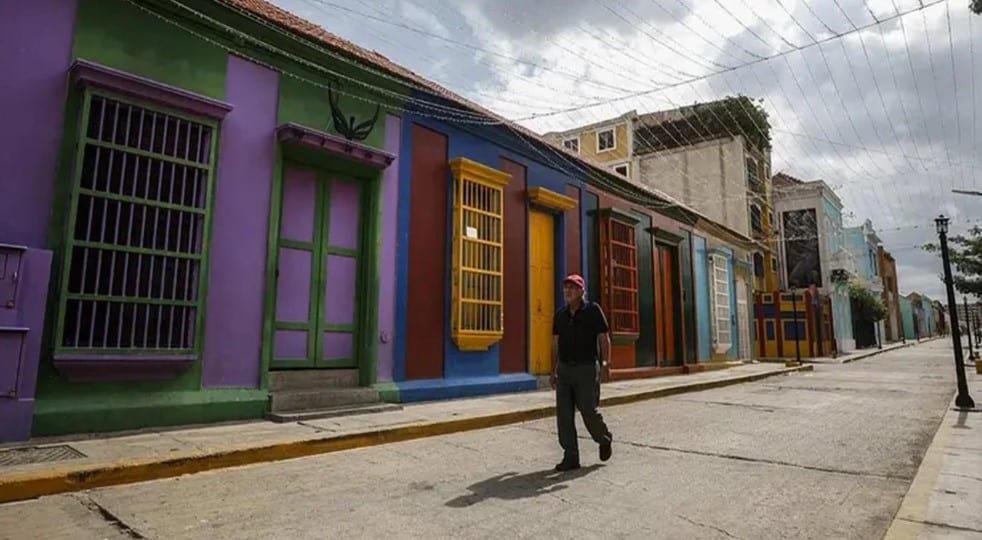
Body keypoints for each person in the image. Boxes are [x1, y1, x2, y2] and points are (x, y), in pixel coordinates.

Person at [550, 274, 613, 471]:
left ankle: (603, 438)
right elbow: (555, 343)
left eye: (572, 288)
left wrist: (605, 364)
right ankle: (571, 456)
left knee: (588, 409)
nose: (567, 291)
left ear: (581, 291)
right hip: (565, 369)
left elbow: (603, 338)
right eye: (566, 287)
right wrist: (553, 370)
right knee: (564, 414)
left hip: (587, 368)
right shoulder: (560, 315)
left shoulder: (593, 310)